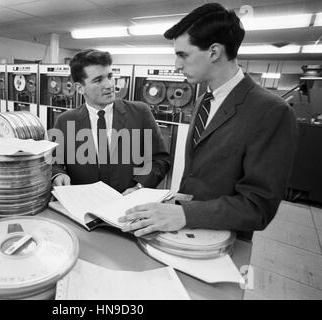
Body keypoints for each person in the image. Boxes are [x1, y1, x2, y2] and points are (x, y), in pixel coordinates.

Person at [119, 3, 298, 240]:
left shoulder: (272, 112)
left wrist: (185, 214)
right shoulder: (205, 99)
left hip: (223, 244)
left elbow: (258, 207)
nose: (176, 65)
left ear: (214, 52)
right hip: (183, 233)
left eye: (183, 55)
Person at [50, 49, 171, 194]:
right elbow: (54, 162)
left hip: (128, 205)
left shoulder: (140, 113)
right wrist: (58, 174)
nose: (109, 85)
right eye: (98, 80)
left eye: (110, 76)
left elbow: (159, 160)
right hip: (84, 206)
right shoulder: (65, 121)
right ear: (80, 88)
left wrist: (139, 187)